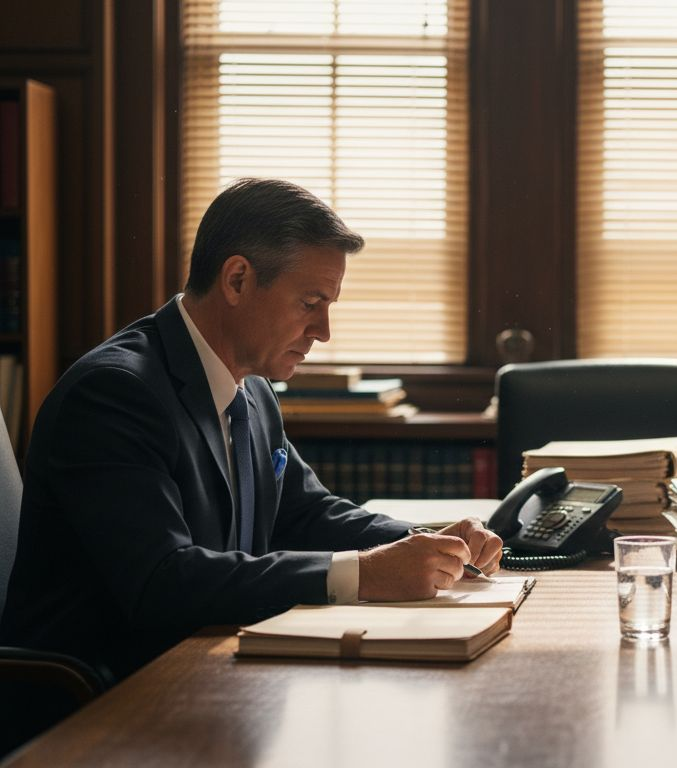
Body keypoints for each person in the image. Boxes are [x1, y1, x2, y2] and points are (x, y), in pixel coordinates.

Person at [0, 178, 503, 683]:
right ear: (237, 280)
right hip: (100, 701)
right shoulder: (114, 393)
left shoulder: (252, 389)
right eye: (310, 302)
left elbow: (305, 513)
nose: (324, 331)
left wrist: (430, 543)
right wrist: (365, 575)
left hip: (204, 670)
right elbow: (162, 582)